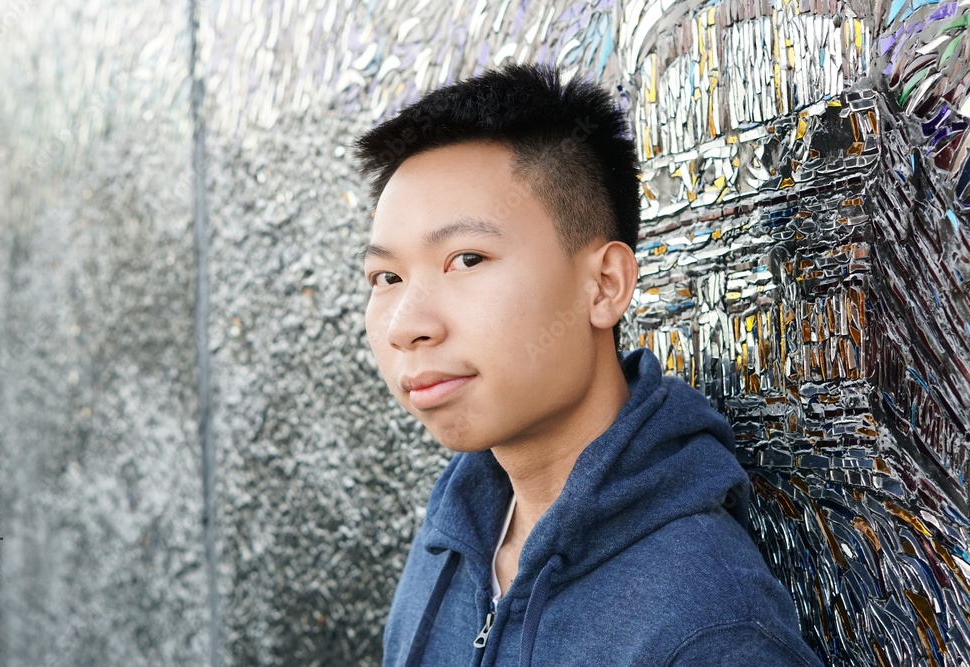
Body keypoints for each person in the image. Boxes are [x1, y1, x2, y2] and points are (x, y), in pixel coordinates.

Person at [353, 63, 824, 667]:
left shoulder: (708, 629)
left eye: (467, 259)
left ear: (604, 285)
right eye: (386, 277)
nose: (406, 325)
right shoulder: (456, 533)